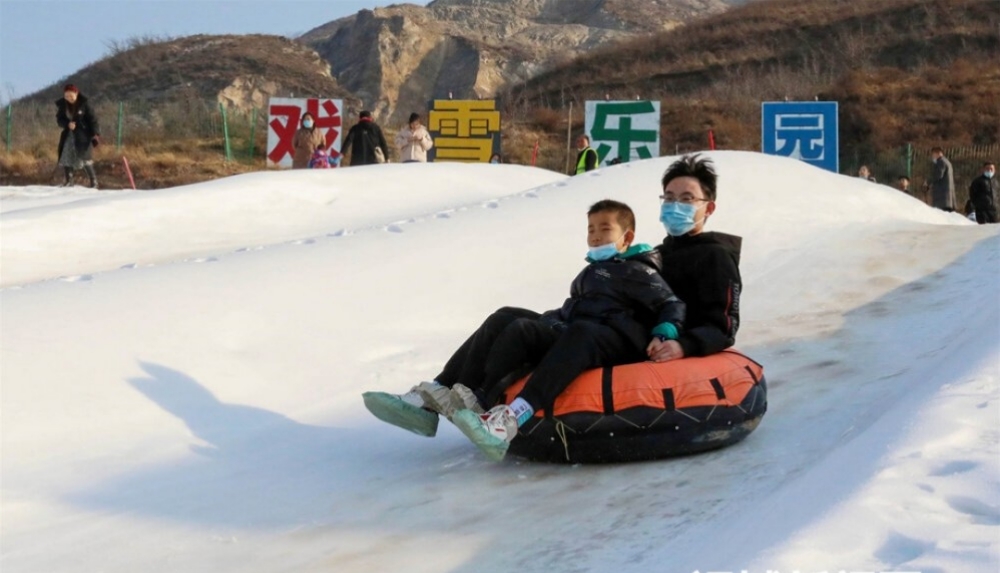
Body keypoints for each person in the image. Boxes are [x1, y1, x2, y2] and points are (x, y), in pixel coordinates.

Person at [364, 200, 686, 461]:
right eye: (591, 230)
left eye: (605, 229)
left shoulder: (638, 269)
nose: (597, 236)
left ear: (626, 237)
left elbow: (671, 303)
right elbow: (572, 310)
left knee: (576, 331)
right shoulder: (592, 271)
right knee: (506, 317)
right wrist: (548, 322)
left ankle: (504, 415)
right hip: (576, 332)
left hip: (609, 340)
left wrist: (665, 332)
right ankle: (436, 396)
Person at [647, 154, 741, 363]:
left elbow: (723, 326)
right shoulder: (656, 255)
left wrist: (684, 345)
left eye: (687, 199)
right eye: (669, 198)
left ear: (708, 208)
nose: (675, 205)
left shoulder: (716, 256)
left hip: (681, 365)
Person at [55, 84, 100, 188]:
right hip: (68, 135)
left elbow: (93, 120)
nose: (69, 98)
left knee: (85, 158)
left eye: (71, 96)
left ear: (76, 94)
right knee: (66, 155)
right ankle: (68, 181)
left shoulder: (84, 104)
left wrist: (95, 134)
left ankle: (94, 182)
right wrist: (67, 124)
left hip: (83, 135)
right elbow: (59, 119)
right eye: (66, 96)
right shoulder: (63, 105)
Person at [930, 147, 956, 212]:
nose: (932, 156)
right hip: (948, 197)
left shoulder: (941, 162)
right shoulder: (947, 162)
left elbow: (938, 175)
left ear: (938, 153)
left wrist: (928, 182)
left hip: (942, 197)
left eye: (933, 154)